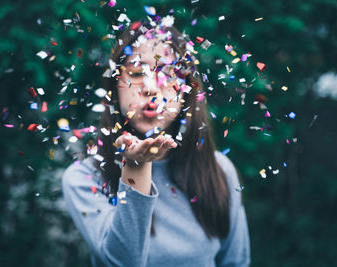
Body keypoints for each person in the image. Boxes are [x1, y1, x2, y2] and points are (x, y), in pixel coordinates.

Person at [62, 16, 250, 267]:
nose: (151, 87)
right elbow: (121, 262)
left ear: (187, 91)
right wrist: (136, 168)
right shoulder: (84, 179)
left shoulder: (219, 171)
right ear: (114, 88)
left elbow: (236, 262)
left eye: (168, 73)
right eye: (137, 73)